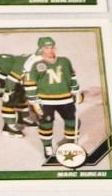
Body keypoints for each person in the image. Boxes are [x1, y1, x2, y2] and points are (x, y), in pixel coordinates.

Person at [20, 35, 84, 164]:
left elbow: (72, 77)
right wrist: (34, 102)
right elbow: (30, 84)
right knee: (46, 124)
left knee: (72, 122)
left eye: (52, 47)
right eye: (47, 47)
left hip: (66, 99)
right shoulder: (36, 64)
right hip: (45, 101)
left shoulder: (65, 61)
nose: (50, 50)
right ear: (41, 49)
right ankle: (47, 147)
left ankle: (70, 142)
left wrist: (76, 92)